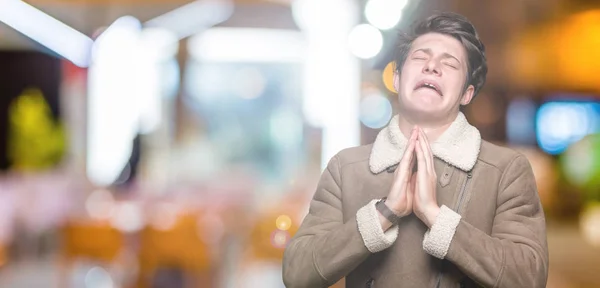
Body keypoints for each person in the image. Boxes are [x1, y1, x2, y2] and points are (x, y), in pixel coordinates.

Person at [282, 12, 548, 288]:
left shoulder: (506, 169)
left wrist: (435, 216)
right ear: (397, 78)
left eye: (450, 63)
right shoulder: (345, 168)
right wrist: (383, 214)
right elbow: (297, 273)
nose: (432, 66)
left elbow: (529, 277)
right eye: (421, 57)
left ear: (467, 93)